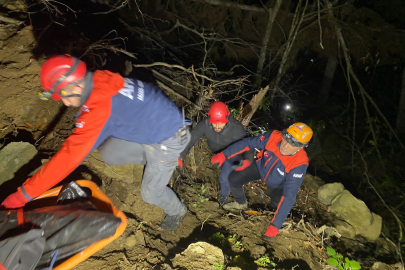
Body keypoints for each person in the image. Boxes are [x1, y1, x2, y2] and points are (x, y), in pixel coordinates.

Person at [1, 55, 191, 232]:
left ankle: (178, 210)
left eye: (63, 97)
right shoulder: (99, 78)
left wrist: (22, 195)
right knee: (110, 153)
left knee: (150, 193)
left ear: (75, 87)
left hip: (169, 138)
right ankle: (159, 161)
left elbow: (67, 159)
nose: (65, 103)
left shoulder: (100, 108)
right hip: (157, 123)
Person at [211, 122, 313, 239]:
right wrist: (223, 155)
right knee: (233, 179)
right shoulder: (273, 136)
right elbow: (247, 143)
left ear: (302, 146)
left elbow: (289, 196)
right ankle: (241, 203)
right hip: (261, 166)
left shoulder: (299, 163)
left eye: (293, 144)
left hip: (278, 183)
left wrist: (275, 226)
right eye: (286, 138)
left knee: (275, 206)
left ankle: (270, 220)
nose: (285, 145)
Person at [178, 102, 247, 204]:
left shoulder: (237, 129)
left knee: (224, 176)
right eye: (214, 122)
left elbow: (248, 146)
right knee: (223, 171)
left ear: (227, 119)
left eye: (220, 123)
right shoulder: (205, 125)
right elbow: (192, 139)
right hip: (217, 153)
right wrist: (181, 156)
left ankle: (224, 196)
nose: (217, 126)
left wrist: (245, 162)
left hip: (232, 154)